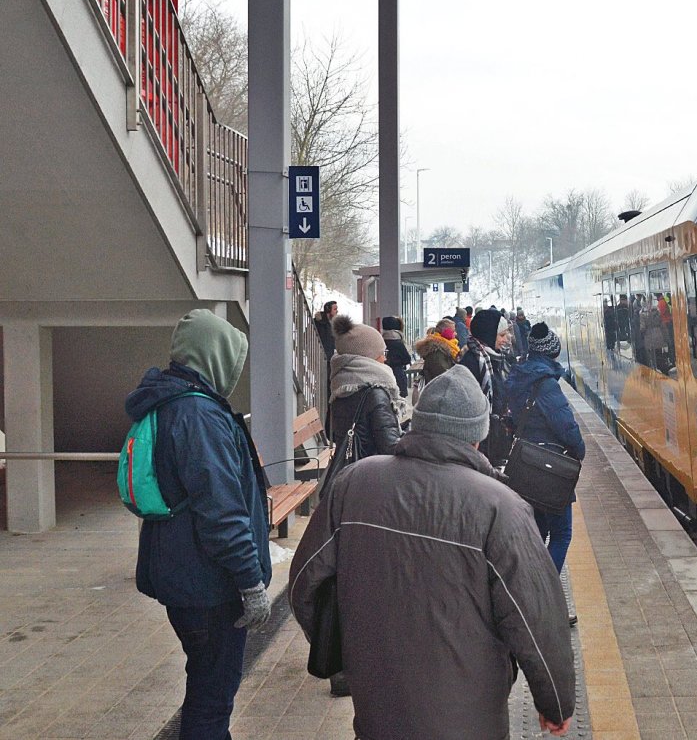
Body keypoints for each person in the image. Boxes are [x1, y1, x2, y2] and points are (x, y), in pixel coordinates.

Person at [289, 367, 575, 740]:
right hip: (472, 721)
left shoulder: (354, 483)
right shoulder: (501, 507)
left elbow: (302, 585)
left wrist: (346, 653)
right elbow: (537, 619)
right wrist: (555, 703)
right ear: (477, 436)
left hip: (377, 713)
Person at [125, 309, 271, 740]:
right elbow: (223, 514)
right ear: (214, 357)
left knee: (206, 687)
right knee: (212, 701)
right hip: (210, 586)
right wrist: (251, 583)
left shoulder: (170, 402)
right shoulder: (198, 416)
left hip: (183, 574)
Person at [505, 322, 585, 576]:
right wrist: (578, 451)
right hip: (549, 467)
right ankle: (545, 593)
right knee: (562, 534)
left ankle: (527, 586)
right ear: (552, 351)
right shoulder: (546, 383)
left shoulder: (519, 375)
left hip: (525, 463)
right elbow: (566, 426)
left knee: (538, 532)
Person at [326, 315, 410, 487]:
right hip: (373, 478)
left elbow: (330, 431)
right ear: (368, 356)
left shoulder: (341, 384)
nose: (385, 358)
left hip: (347, 474)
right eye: (382, 353)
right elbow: (390, 446)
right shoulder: (375, 392)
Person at [415, 319, 459, 383]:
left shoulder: (447, 347)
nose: (455, 333)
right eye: (453, 331)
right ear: (444, 332)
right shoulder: (437, 351)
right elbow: (442, 374)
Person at [380, 315, 412, 397]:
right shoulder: (398, 342)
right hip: (398, 374)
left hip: (382, 374)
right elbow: (407, 359)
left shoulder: (380, 342)